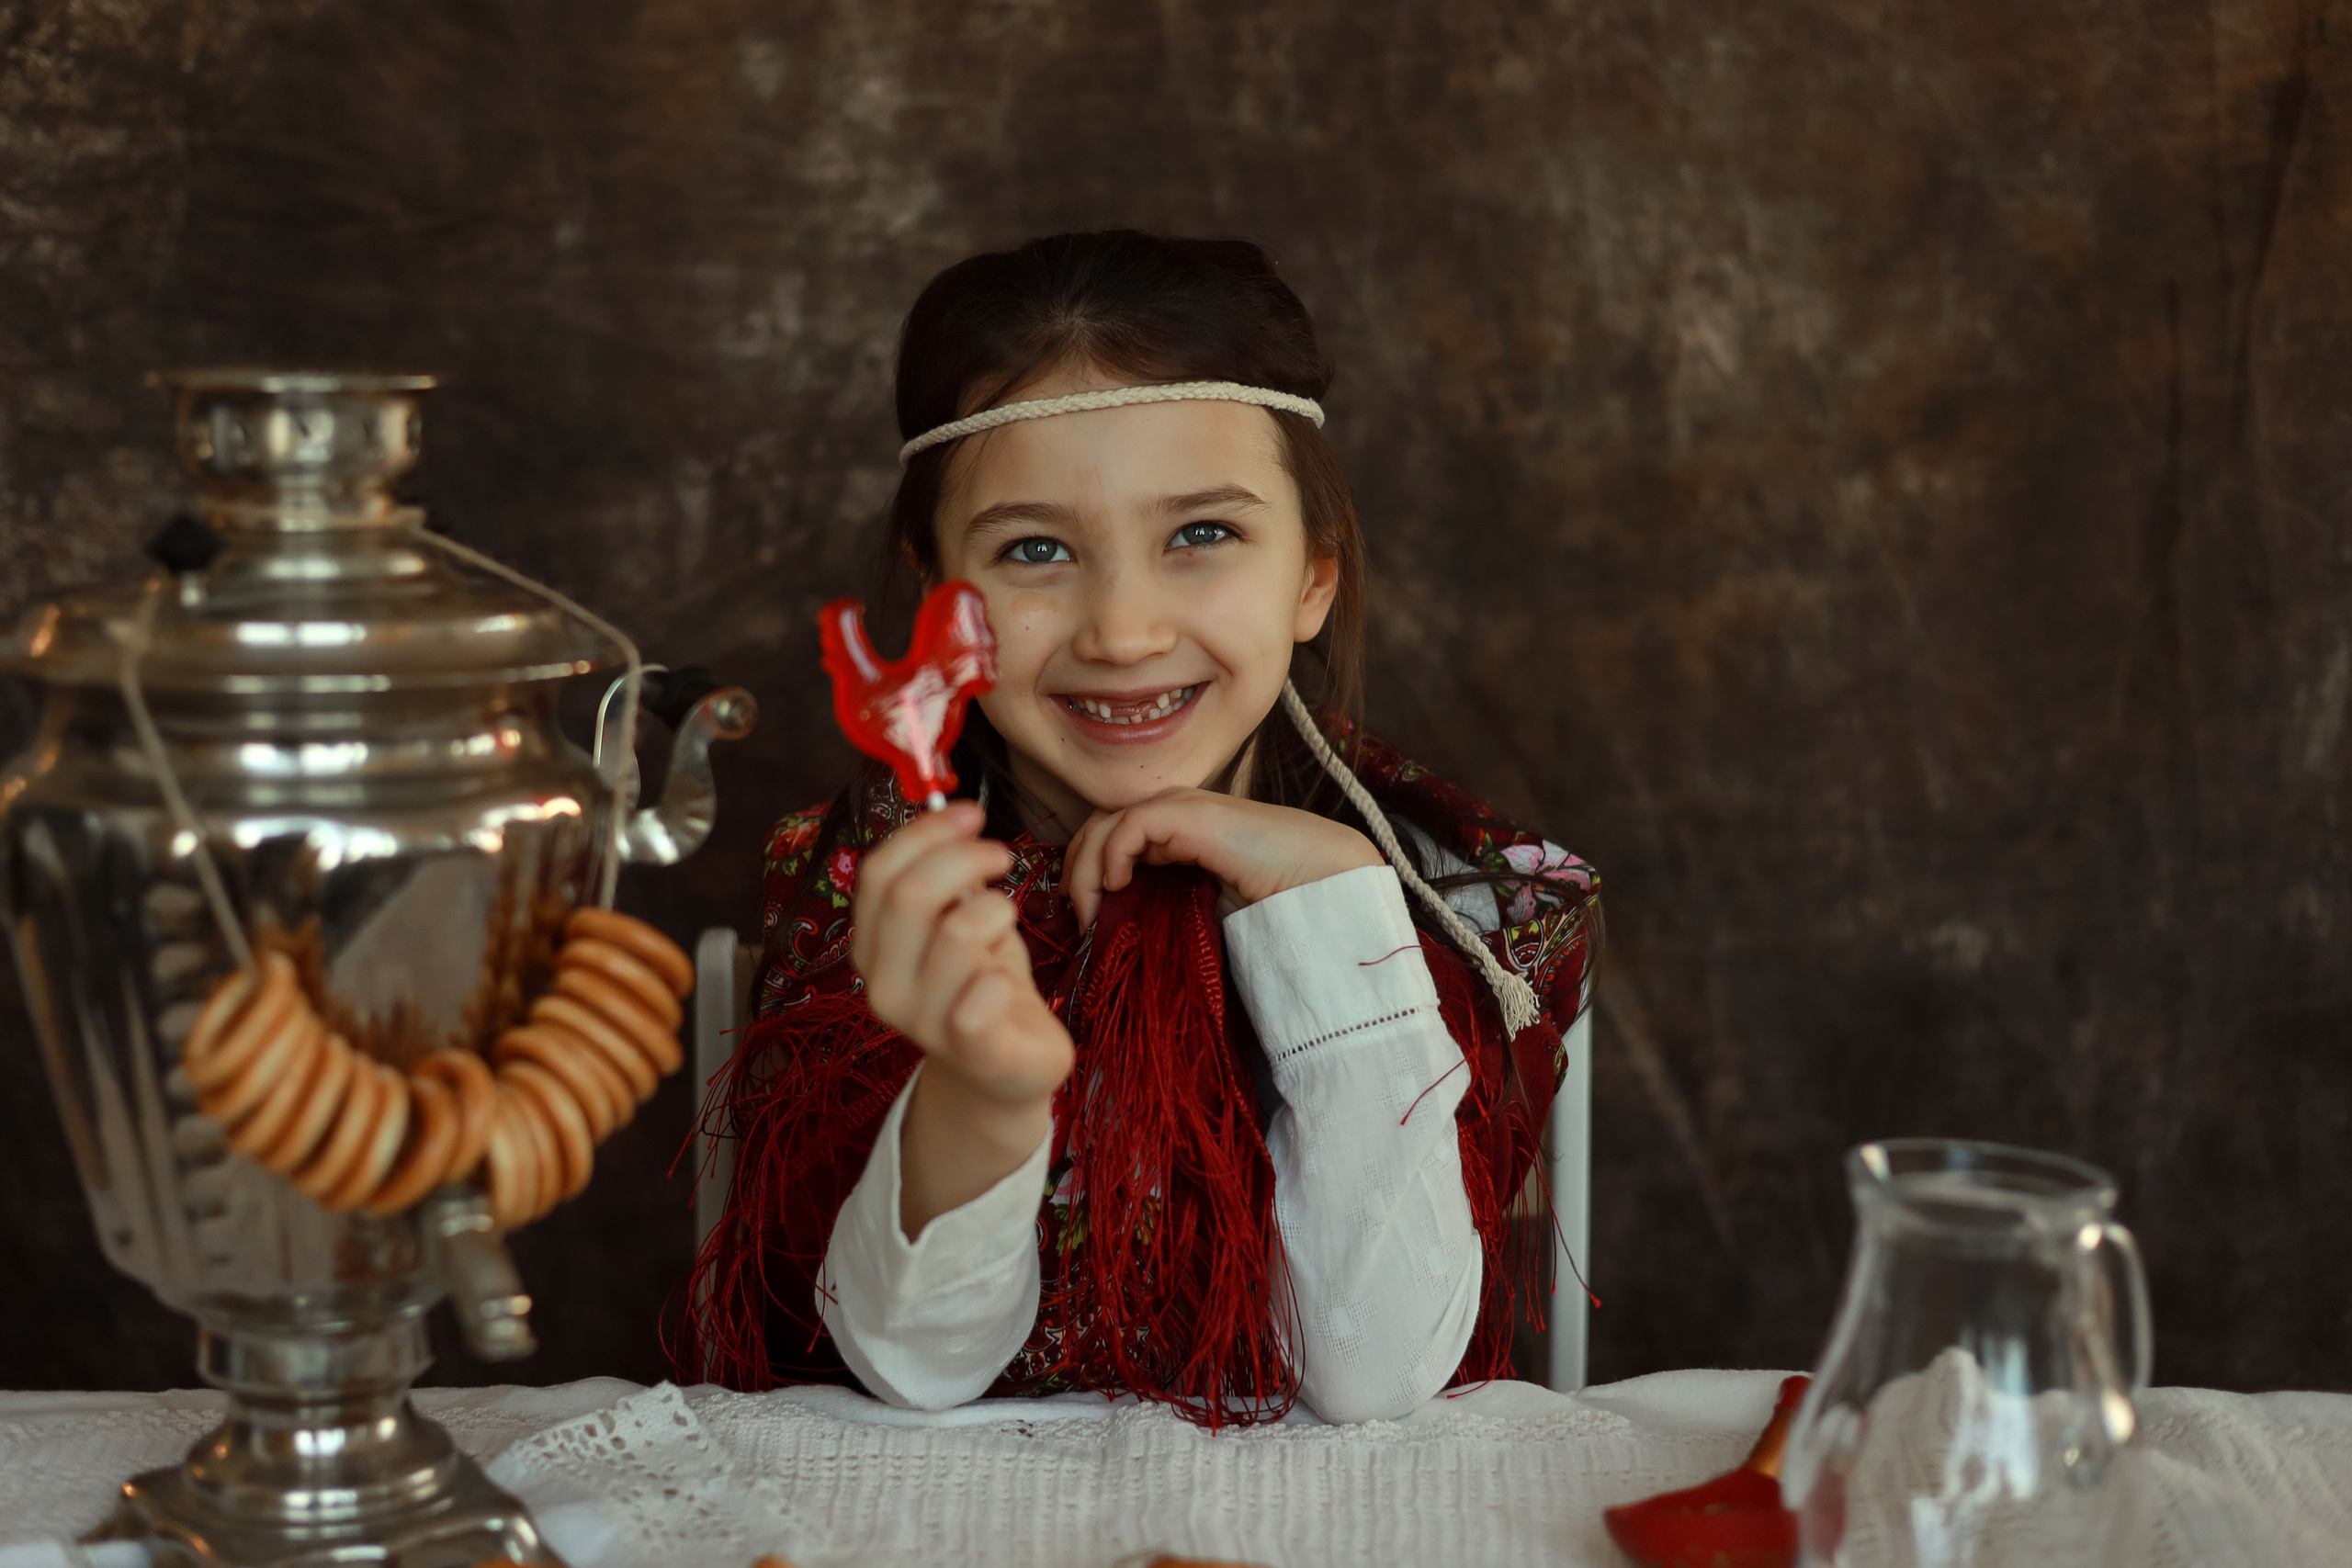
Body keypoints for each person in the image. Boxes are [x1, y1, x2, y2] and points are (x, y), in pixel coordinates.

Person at [685, 231, 1600, 1426]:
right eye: (1035, 550)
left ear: (1313, 575)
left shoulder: (1449, 900)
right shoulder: (877, 895)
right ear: (937, 592)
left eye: (1202, 535)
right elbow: (905, 1377)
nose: (1122, 632)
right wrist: (982, 1098)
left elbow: (1373, 1377)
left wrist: (1335, 917)